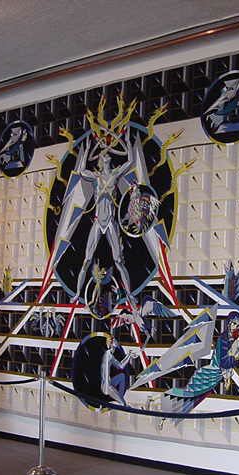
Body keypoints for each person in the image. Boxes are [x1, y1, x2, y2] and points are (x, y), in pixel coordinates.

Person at [72, 136, 135, 304]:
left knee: (118, 261)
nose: (106, 154)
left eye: (107, 153)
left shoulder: (115, 174)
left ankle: (129, 294)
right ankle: (77, 293)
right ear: (100, 159)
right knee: (87, 260)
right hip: (98, 222)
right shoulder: (96, 176)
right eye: (103, 153)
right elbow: (81, 171)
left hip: (111, 223)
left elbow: (130, 161)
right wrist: (86, 151)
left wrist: (128, 142)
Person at [100, 337, 137, 405]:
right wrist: (108, 385)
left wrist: (128, 355)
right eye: (115, 341)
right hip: (106, 386)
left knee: (122, 376)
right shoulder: (108, 355)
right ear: (111, 344)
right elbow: (105, 371)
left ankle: (120, 398)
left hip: (109, 383)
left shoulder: (111, 355)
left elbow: (121, 366)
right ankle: (120, 401)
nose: (117, 342)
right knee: (123, 404)